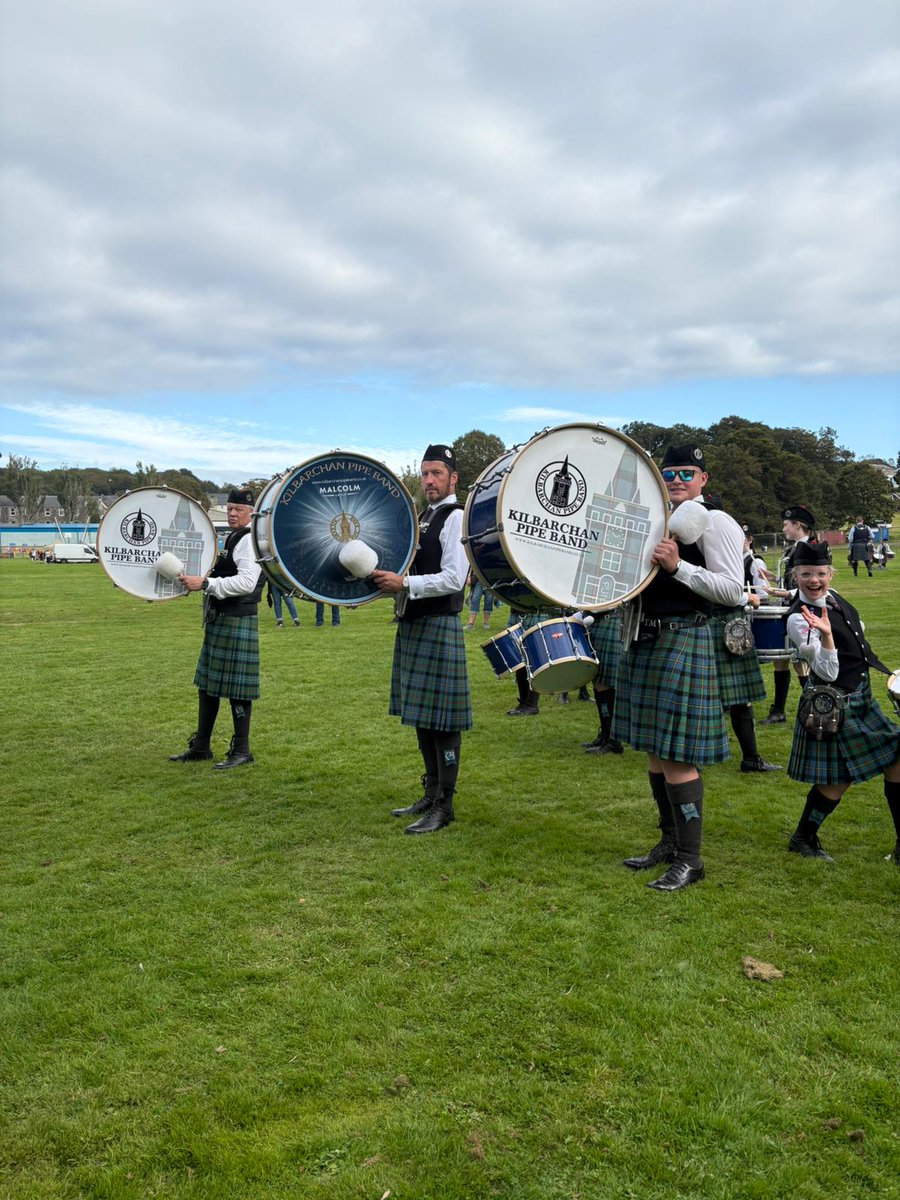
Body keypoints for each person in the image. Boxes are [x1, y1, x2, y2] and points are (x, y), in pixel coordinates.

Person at [613, 445, 744, 891]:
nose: (675, 480)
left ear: (703, 478)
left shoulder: (715, 520)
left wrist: (679, 566)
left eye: (686, 473)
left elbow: (732, 590)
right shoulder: (656, 519)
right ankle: (669, 843)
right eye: (668, 473)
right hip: (646, 637)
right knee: (653, 749)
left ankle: (691, 859)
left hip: (685, 636)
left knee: (677, 756)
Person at [373, 444, 471, 834]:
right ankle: (430, 793)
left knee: (442, 720)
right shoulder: (422, 517)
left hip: (438, 625)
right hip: (414, 624)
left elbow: (454, 577)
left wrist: (405, 583)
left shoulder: (456, 517)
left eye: (436, 473)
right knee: (422, 717)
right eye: (424, 473)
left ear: (452, 477)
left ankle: (444, 806)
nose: (428, 480)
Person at [783, 540, 900, 864]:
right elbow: (827, 670)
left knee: (895, 759)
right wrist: (827, 636)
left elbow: (858, 634)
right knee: (837, 780)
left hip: (860, 697)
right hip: (834, 704)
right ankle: (803, 838)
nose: (814, 580)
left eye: (820, 573)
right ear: (796, 575)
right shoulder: (798, 620)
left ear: (830, 573)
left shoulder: (833, 600)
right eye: (806, 574)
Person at [170, 488, 264, 769]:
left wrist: (208, 584)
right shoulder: (232, 538)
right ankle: (201, 746)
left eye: (239, 510)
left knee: (238, 689)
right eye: (230, 509)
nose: (233, 514)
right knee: (207, 686)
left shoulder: (250, 541)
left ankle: (242, 750)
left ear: (251, 513)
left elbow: (247, 582)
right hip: (220, 618)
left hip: (238, 619)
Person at [760, 505, 816, 725]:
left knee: (800, 662)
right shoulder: (794, 549)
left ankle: (817, 706)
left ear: (798, 525)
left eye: (786, 524)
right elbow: (792, 580)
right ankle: (779, 711)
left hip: (803, 610)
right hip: (789, 608)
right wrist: (772, 578)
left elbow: (812, 585)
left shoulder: (810, 548)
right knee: (781, 660)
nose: (783, 528)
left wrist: (783, 592)